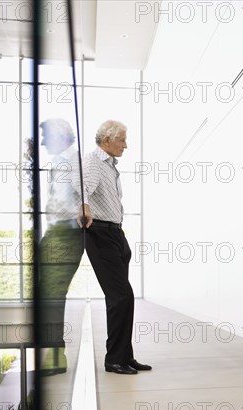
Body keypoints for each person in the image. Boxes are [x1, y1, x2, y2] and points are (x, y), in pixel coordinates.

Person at [77, 120, 151, 375]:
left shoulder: (109, 166)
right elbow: (82, 188)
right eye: (122, 140)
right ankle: (114, 360)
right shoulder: (93, 162)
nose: (126, 145)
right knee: (122, 296)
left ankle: (125, 356)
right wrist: (85, 207)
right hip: (99, 234)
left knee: (122, 300)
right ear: (107, 139)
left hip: (115, 234)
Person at [38, 118, 84, 376]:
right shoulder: (56, 163)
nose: (43, 141)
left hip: (67, 233)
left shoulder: (76, 163)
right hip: (53, 232)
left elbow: (87, 197)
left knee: (53, 296)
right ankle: (52, 354)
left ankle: (56, 359)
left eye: (46, 136)